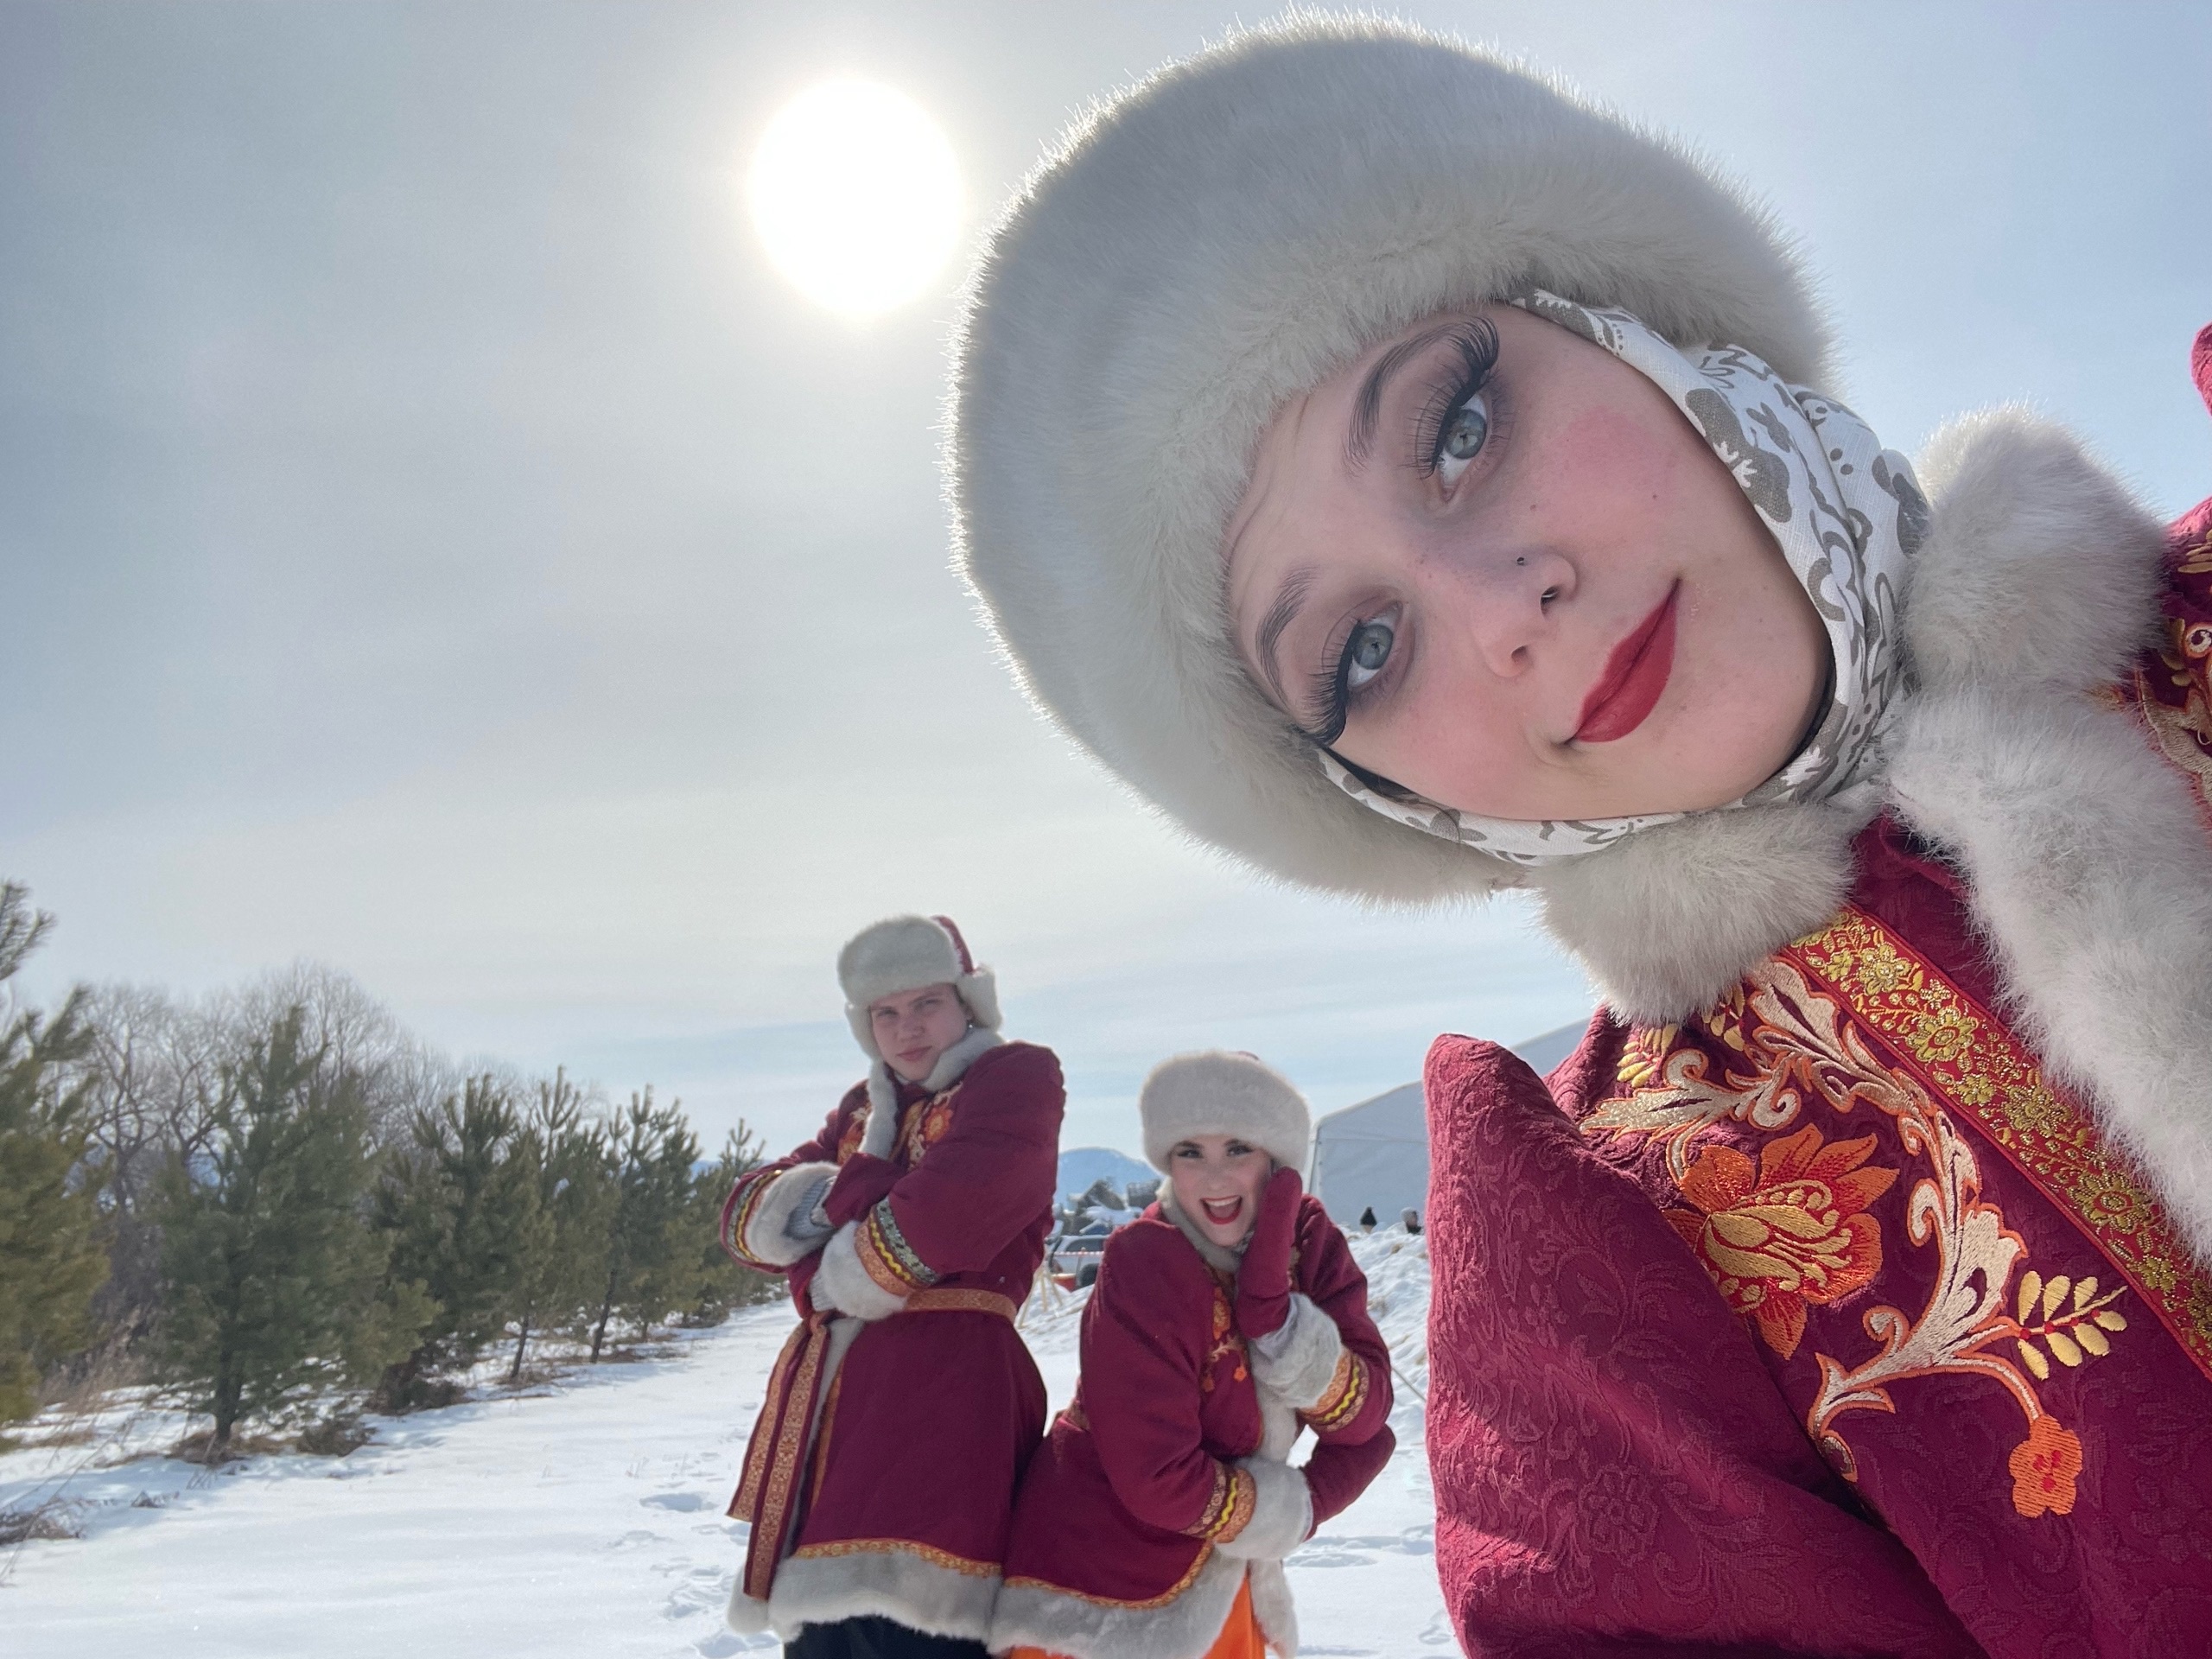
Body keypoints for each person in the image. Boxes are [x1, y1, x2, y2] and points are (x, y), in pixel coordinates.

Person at [948, 18, 2212, 1656]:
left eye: (1460, 427)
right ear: (1372, 796)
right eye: (1362, 651)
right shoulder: (1617, 1268)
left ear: (1643, 329)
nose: (1501, 612)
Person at [717, 914, 1065, 1656]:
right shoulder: (861, 1108)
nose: (907, 1028)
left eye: (926, 1003)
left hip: (952, 1399)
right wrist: (857, 1193)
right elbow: (746, 1219)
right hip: (836, 1419)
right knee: (824, 1637)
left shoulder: (1015, 1076)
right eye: (886, 1012)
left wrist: (825, 1254)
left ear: (968, 1003)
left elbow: (949, 1216)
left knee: (924, 1630)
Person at [990, 1052, 1395, 1659]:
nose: (1214, 1178)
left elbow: (1366, 1420)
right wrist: (1294, 1510)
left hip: (1220, 1579)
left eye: (1238, 1148)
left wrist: (1278, 1321)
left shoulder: (1309, 1242)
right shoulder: (1146, 1259)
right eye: (1190, 1152)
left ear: (1276, 1160)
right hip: (1101, 1586)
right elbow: (1157, 1478)